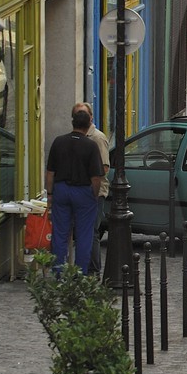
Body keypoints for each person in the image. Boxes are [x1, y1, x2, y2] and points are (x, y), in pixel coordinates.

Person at [45, 108, 105, 272]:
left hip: (61, 189)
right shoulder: (91, 146)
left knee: (60, 233)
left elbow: (50, 173)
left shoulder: (59, 142)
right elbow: (96, 178)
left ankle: (58, 272)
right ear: (88, 125)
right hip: (83, 191)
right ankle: (80, 274)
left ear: (72, 123)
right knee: (84, 234)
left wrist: (50, 194)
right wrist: (94, 195)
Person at [72, 102, 111, 270]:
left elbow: (104, 168)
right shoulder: (75, 138)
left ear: (91, 118)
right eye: (77, 115)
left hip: (95, 191)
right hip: (78, 191)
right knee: (80, 232)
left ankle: (93, 270)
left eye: (83, 114)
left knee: (92, 231)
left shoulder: (97, 138)